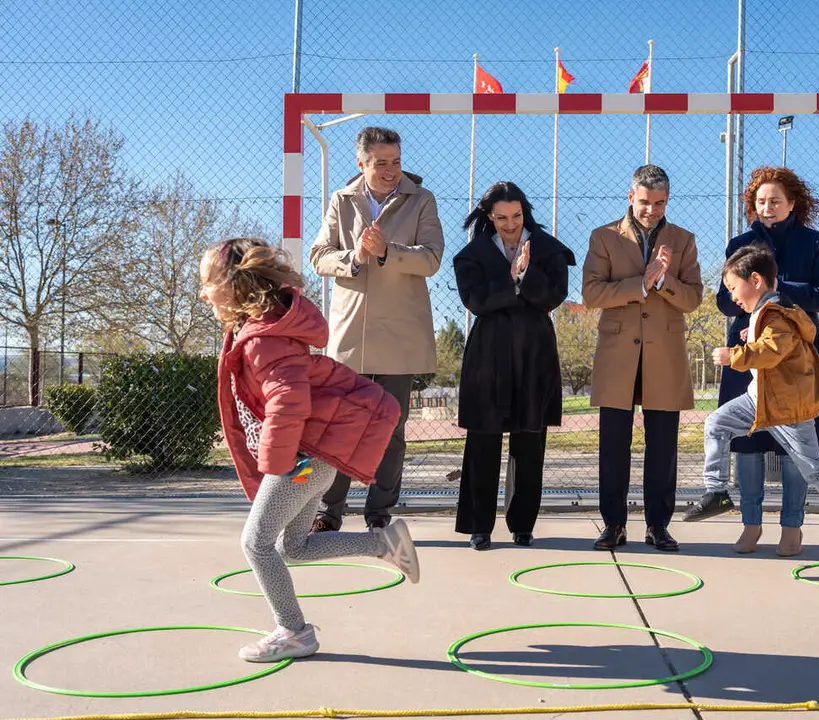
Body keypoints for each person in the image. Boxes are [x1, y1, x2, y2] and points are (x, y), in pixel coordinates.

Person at [201, 237, 420, 663]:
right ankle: (383, 544)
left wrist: (277, 466)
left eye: (207, 283)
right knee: (292, 547)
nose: (204, 292)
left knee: (256, 543)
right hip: (309, 459)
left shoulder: (265, 339)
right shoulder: (257, 331)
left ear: (233, 286)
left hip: (299, 462)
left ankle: (294, 631)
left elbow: (288, 401)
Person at [684, 166, 819, 559]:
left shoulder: (813, 241)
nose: (767, 208)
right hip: (748, 350)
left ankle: (792, 527)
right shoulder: (742, 242)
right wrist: (746, 297)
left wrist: (776, 288)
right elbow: (723, 300)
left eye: (775, 201)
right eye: (760, 201)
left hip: (795, 357)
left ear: (792, 204)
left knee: (796, 447)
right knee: (747, 442)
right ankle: (750, 524)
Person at [706, 243, 819, 571]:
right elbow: (769, 344)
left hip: (788, 407)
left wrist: (733, 355)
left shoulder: (776, 313)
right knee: (716, 423)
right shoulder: (765, 312)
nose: (731, 296)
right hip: (759, 398)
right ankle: (715, 491)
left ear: (756, 281)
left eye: (733, 287)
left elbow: (771, 351)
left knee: (814, 470)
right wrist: (751, 337)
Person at [309, 126, 444, 533]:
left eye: (396, 162)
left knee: (392, 430)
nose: (391, 171)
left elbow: (432, 258)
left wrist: (388, 252)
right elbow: (318, 255)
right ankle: (329, 512)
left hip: (400, 336)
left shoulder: (422, 200)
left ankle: (378, 515)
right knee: (340, 427)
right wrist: (354, 257)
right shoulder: (341, 200)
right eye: (381, 163)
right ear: (361, 163)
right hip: (351, 336)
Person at [582, 165, 703, 552]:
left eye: (660, 202)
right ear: (630, 196)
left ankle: (658, 526)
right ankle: (613, 524)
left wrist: (665, 282)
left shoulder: (683, 240)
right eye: (645, 202)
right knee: (613, 444)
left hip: (664, 355)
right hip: (619, 355)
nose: (652, 210)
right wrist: (641, 284)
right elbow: (592, 294)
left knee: (663, 446)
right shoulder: (603, 237)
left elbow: (694, 298)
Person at [452, 182, 576, 550]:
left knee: (530, 441)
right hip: (488, 355)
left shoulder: (548, 249)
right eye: (502, 217)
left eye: (517, 216)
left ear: (526, 212)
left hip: (533, 352)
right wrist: (510, 278)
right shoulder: (472, 255)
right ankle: (480, 526)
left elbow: (554, 296)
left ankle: (523, 524)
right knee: (483, 441)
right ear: (489, 216)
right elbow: (475, 301)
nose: (510, 224)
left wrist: (525, 275)